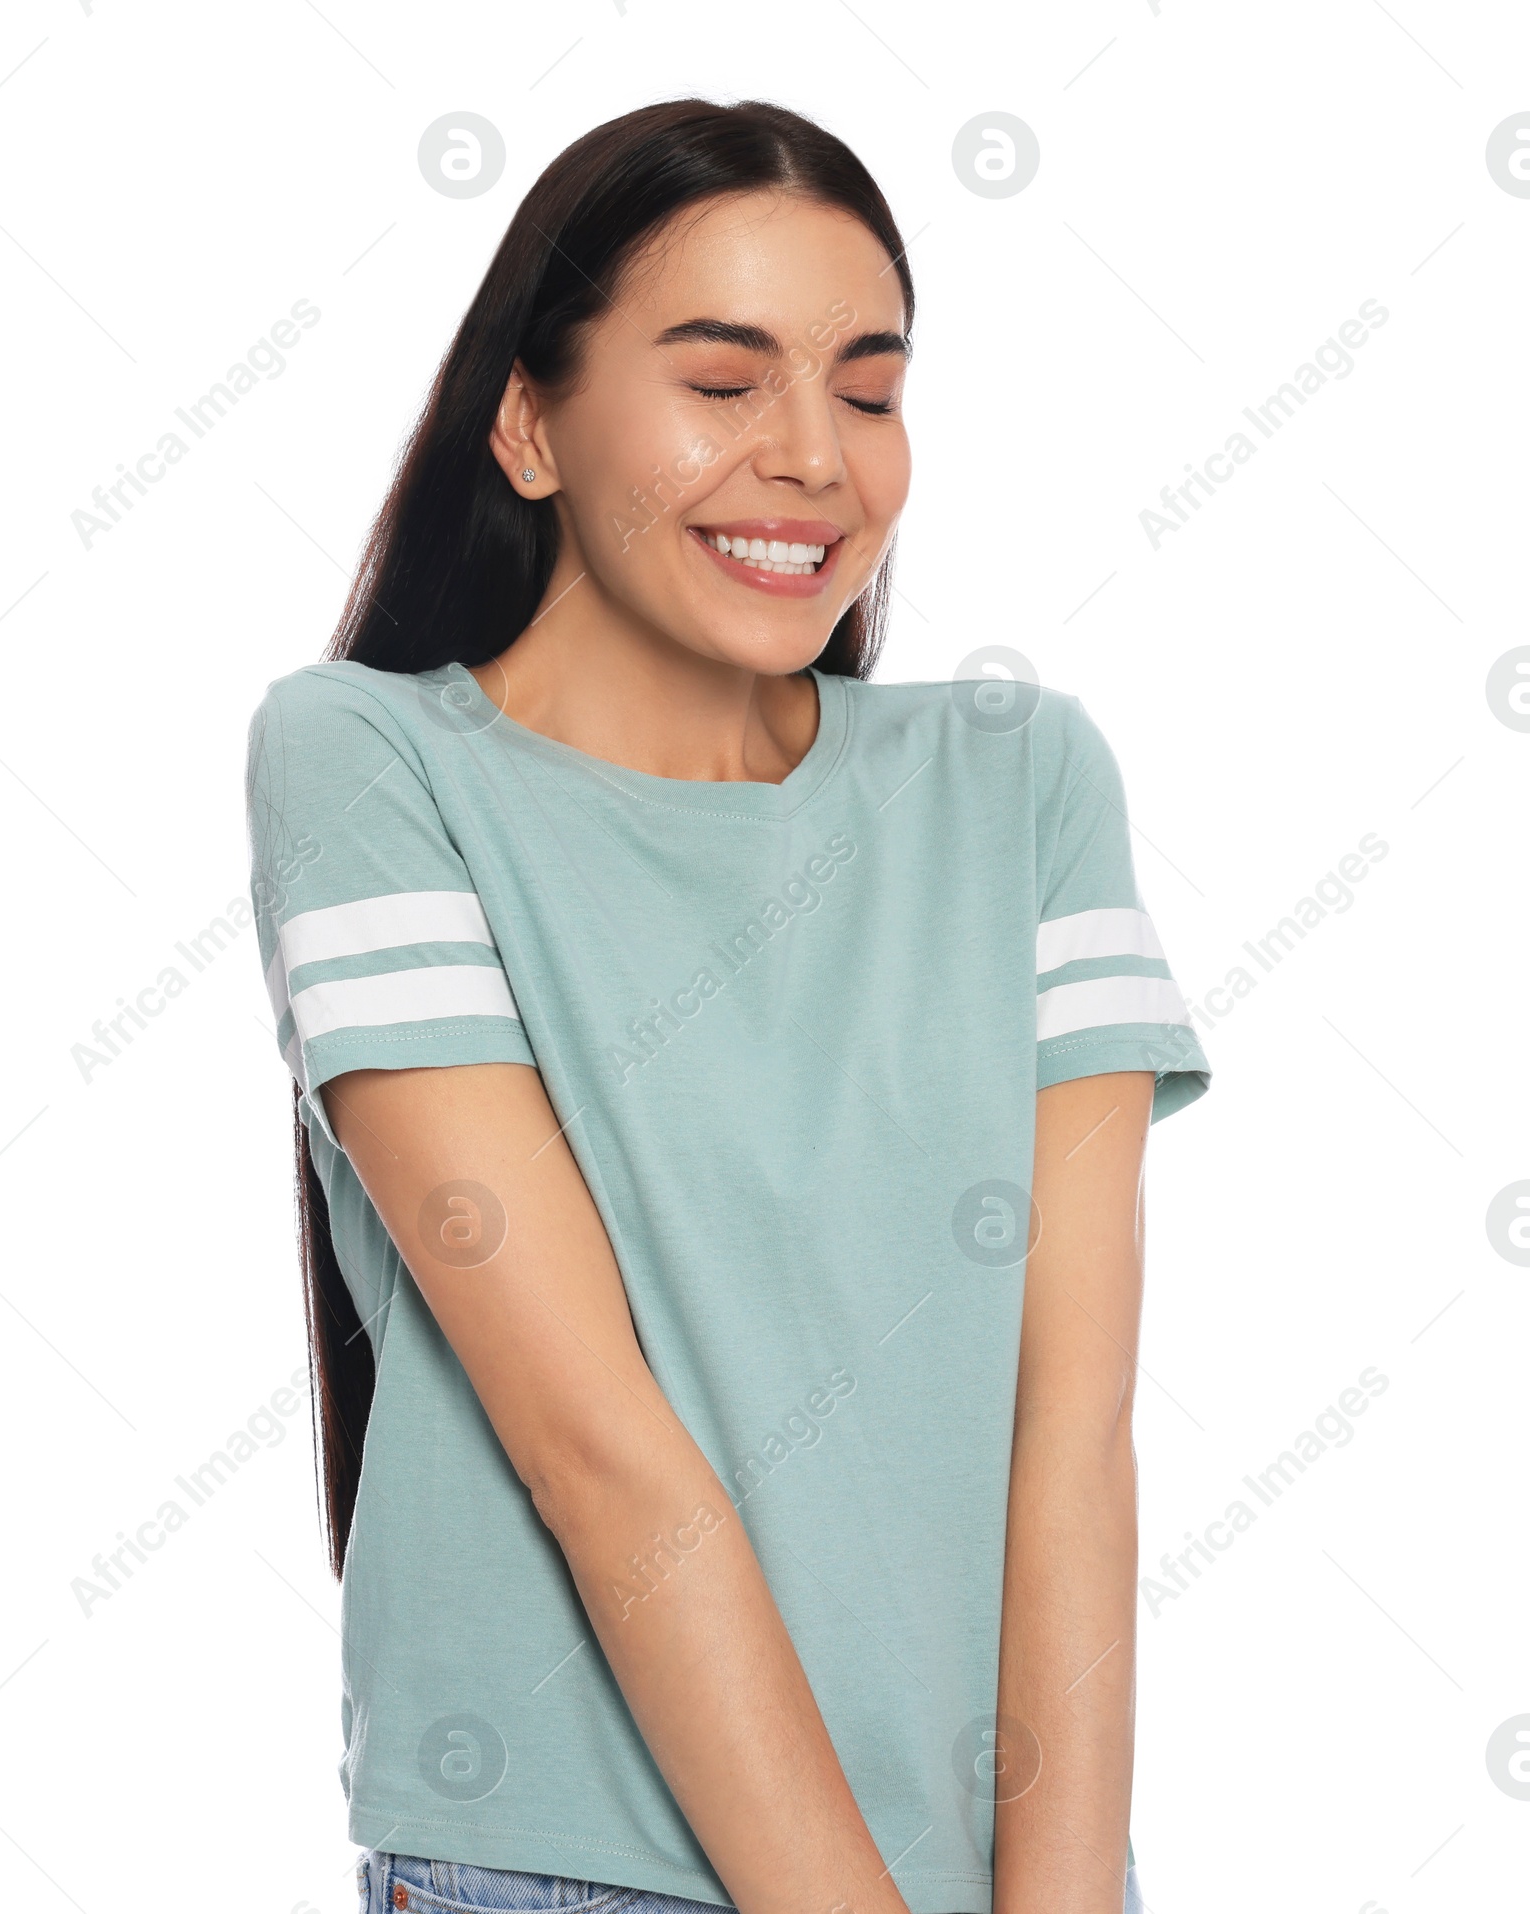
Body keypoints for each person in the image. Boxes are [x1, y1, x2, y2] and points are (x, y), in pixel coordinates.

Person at [245, 97, 1207, 1914]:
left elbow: (1066, 1435)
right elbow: (599, 1448)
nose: (813, 459)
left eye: (866, 386)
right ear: (529, 422)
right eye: (721, 380)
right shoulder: (367, 757)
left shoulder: (1020, 782)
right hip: (558, 1872)